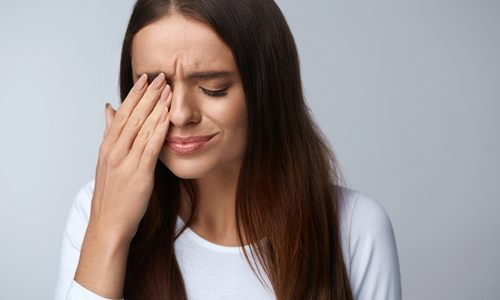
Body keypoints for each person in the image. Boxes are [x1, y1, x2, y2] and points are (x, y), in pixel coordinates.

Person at [55, 0, 401, 299]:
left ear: (267, 89)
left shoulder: (355, 227)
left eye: (213, 88)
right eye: (157, 89)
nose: (180, 114)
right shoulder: (94, 211)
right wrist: (109, 230)